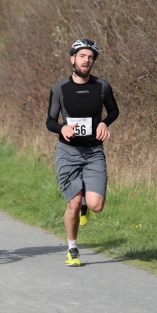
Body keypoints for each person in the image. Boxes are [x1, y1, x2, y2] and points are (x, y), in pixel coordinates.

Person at [46, 38, 119, 266]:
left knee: (96, 205)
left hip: (94, 152)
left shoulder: (102, 86)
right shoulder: (60, 88)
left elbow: (114, 110)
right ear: (72, 59)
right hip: (68, 152)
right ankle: (72, 249)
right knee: (73, 204)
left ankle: (87, 202)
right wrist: (62, 127)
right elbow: (50, 120)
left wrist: (104, 123)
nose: (86, 60)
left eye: (90, 57)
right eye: (82, 56)